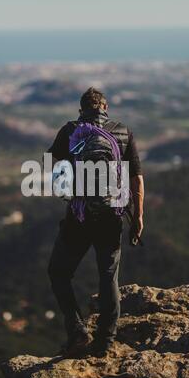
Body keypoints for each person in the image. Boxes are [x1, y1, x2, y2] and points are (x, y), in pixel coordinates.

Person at [47, 87, 144, 357]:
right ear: (106, 108)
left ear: (81, 110)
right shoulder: (122, 131)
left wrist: (75, 196)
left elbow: (57, 176)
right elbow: (136, 178)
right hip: (111, 218)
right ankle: (104, 342)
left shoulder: (69, 131)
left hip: (79, 217)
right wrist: (138, 216)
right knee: (108, 276)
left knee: (58, 272)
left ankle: (77, 332)